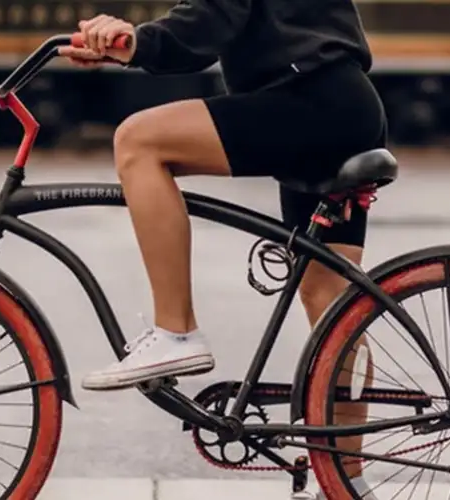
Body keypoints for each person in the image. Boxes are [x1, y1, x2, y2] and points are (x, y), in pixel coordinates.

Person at [60, 1, 385, 498]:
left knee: (139, 141)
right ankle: (346, 481)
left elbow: (215, 15)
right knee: (331, 299)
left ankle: (176, 331)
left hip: (310, 99)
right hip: (338, 104)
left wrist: (137, 43)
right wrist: (129, 48)